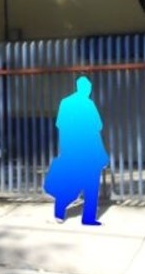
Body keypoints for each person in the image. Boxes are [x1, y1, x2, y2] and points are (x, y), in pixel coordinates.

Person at [43, 75, 110, 225]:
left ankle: (59, 214)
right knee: (91, 185)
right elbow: (97, 127)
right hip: (87, 150)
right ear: (86, 89)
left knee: (70, 183)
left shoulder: (65, 103)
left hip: (70, 150)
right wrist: (101, 154)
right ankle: (88, 218)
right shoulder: (88, 104)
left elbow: (60, 125)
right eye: (89, 88)